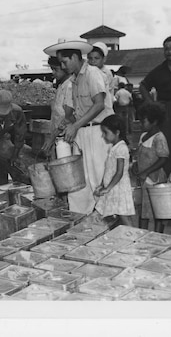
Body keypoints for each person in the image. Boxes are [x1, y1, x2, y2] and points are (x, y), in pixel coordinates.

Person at [43, 40, 114, 215]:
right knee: (79, 179)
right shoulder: (74, 80)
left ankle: (107, 216)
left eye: (64, 62)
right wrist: (68, 124)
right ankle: (80, 217)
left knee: (99, 174)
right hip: (81, 133)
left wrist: (75, 125)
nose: (62, 66)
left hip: (98, 132)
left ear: (75, 57)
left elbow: (99, 105)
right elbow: (72, 112)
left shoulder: (92, 73)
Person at [139, 36, 171, 177]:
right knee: (168, 147)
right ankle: (168, 181)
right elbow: (143, 86)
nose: (170, 52)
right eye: (166, 49)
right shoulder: (159, 70)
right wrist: (152, 104)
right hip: (167, 112)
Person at [131, 102, 169, 232]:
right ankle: (142, 235)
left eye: (144, 121)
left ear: (155, 121)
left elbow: (163, 158)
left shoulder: (159, 138)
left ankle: (158, 235)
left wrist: (146, 171)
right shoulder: (143, 136)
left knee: (158, 210)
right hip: (144, 180)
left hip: (154, 179)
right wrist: (136, 165)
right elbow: (140, 154)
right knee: (144, 210)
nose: (141, 124)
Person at [94, 114, 136, 226]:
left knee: (123, 216)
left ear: (117, 132)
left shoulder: (121, 148)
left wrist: (108, 188)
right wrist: (102, 185)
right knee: (111, 213)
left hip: (119, 189)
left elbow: (119, 172)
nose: (103, 136)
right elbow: (108, 169)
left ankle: (134, 238)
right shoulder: (113, 148)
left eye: (105, 132)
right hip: (112, 187)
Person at [41, 56, 75, 158]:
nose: (53, 73)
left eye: (56, 69)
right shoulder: (61, 86)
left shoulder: (70, 87)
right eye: (52, 69)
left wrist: (52, 137)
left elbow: (68, 117)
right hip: (59, 137)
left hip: (67, 138)